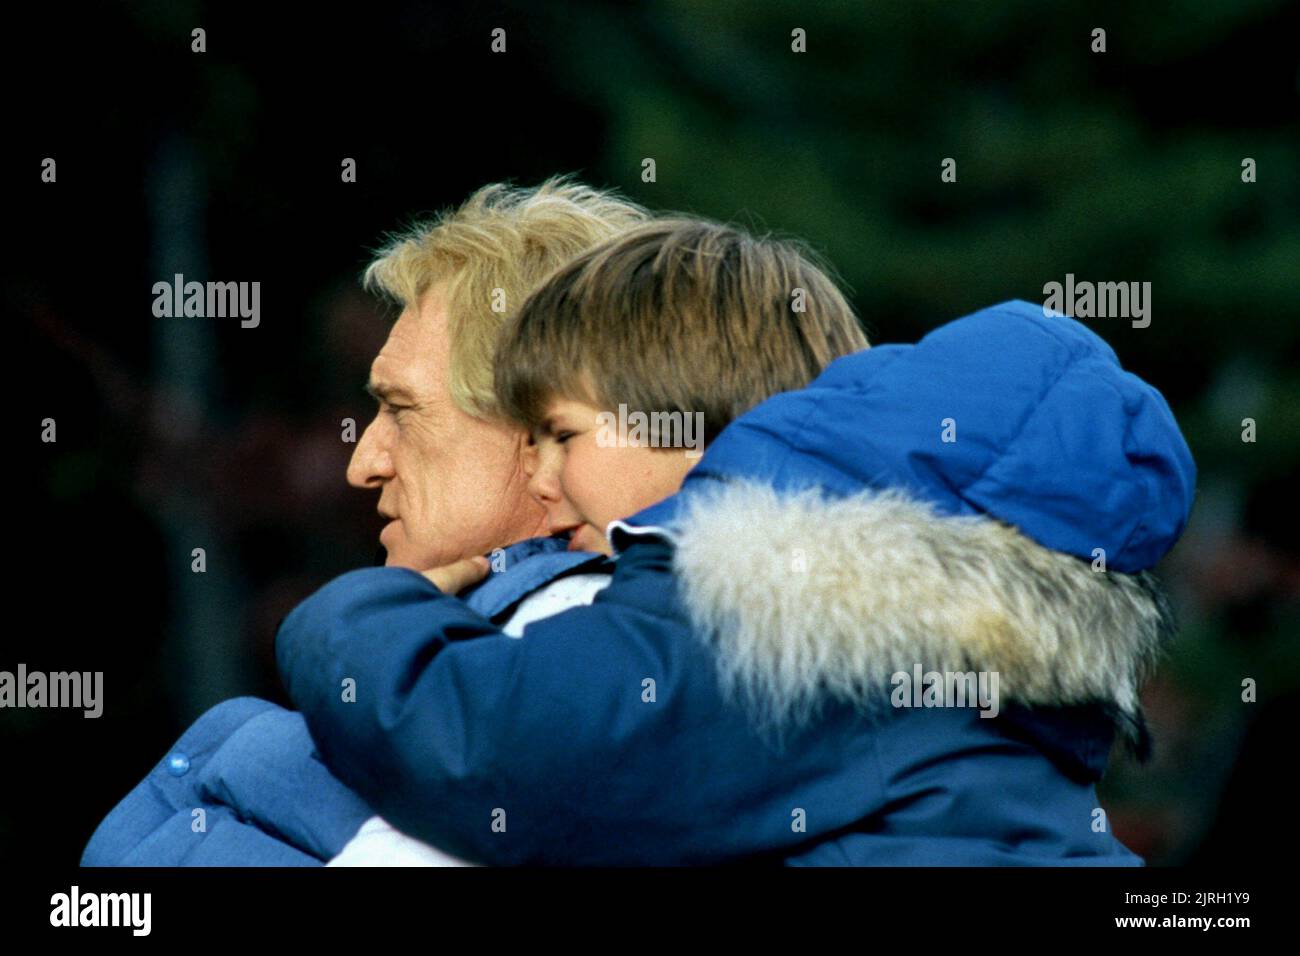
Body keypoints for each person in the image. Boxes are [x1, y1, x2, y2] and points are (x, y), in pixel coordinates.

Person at [277, 219, 1197, 865]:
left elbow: (492, 747)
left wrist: (365, 610)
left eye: (561, 434)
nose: (543, 477)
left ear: (689, 430)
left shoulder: (774, 617)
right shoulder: (938, 640)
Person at [81, 177, 651, 865]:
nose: (366, 463)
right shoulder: (579, 664)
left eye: (403, 411)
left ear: (545, 436)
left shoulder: (563, 685)